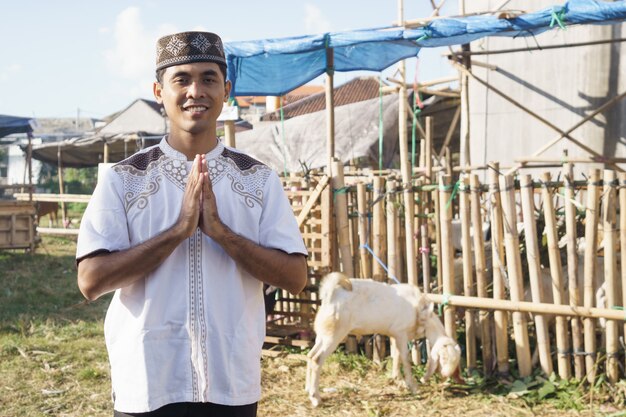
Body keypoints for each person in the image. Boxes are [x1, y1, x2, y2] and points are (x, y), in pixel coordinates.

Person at [76, 31, 308, 417]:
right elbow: (91, 280)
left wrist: (222, 233)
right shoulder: (123, 179)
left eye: (208, 79)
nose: (195, 90)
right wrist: (178, 231)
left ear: (226, 90)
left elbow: (295, 277)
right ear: (158, 91)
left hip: (230, 381)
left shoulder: (257, 179)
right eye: (181, 79)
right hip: (147, 381)